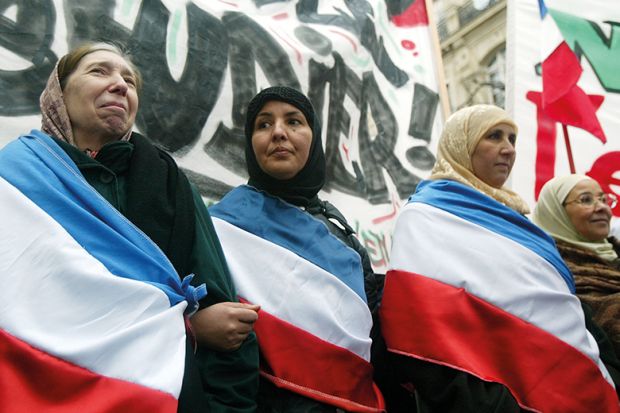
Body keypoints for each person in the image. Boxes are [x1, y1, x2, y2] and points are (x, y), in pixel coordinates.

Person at [0, 42, 258, 412]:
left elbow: (222, 311)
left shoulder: (166, 180)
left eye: (129, 80)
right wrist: (188, 328)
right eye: (98, 71)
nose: (120, 85)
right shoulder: (13, 176)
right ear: (58, 92)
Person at [379, 104, 620, 412]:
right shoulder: (426, 216)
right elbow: (416, 325)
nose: (508, 149)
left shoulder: (520, 220)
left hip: (575, 391)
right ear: (461, 145)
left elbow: (563, 306)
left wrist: (608, 371)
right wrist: (496, 405)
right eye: (494, 136)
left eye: (512, 139)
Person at [208, 86, 385, 412]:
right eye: (263, 124)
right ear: (250, 142)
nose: (278, 133)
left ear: (314, 138)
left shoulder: (344, 237)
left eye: (293, 121)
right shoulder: (218, 227)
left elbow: (374, 340)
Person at [532, 174, 620, 357]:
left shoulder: (614, 253)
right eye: (586, 200)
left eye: (604, 199)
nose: (602, 207)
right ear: (555, 212)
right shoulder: (551, 267)